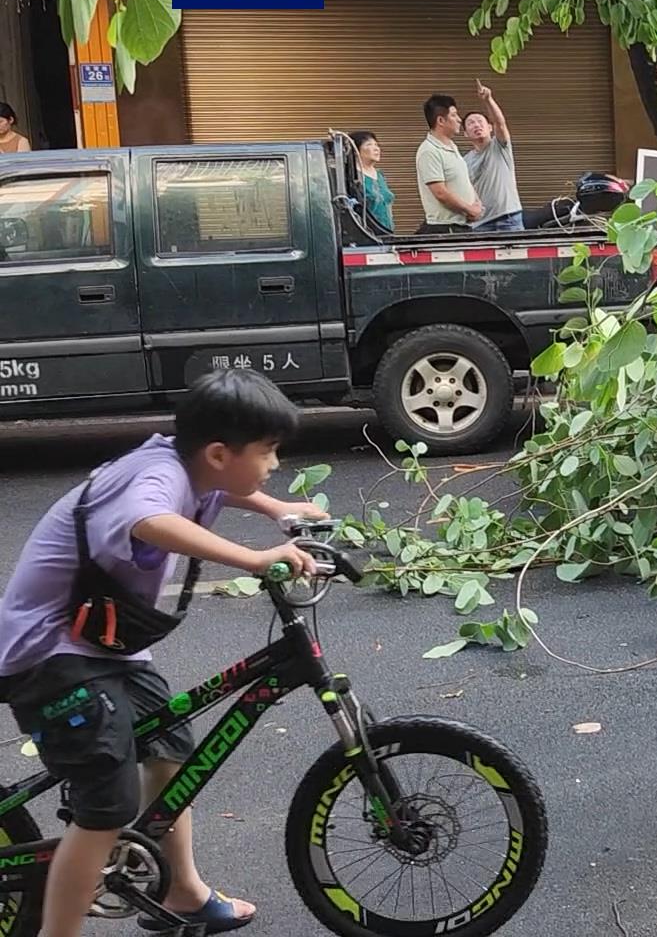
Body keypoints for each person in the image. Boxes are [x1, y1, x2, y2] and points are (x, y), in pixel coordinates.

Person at [0, 369, 324, 937]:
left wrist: (276, 508)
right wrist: (252, 558)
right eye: (269, 451)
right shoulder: (155, 476)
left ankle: (182, 889)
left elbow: (219, 487)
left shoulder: (191, 464)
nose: (274, 462)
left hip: (103, 646)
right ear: (220, 451)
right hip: (48, 653)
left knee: (172, 741)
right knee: (107, 806)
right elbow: (147, 519)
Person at [415, 93, 485, 231]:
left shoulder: (452, 146)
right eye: (454, 115)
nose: (459, 120)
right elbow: (440, 193)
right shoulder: (429, 151)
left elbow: (464, 181)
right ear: (441, 120)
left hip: (463, 223)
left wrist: (476, 204)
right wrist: (469, 209)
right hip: (445, 227)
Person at [463, 79, 524, 233]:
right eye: (471, 123)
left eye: (480, 121)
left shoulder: (499, 146)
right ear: (465, 133)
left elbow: (501, 123)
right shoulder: (463, 161)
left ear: (490, 127)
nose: (476, 125)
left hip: (509, 218)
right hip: (480, 224)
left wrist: (488, 100)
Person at [349, 130, 395, 234]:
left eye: (376, 145)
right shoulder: (353, 177)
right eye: (369, 144)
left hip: (388, 232)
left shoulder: (380, 175)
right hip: (367, 234)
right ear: (356, 150)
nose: (376, 149)